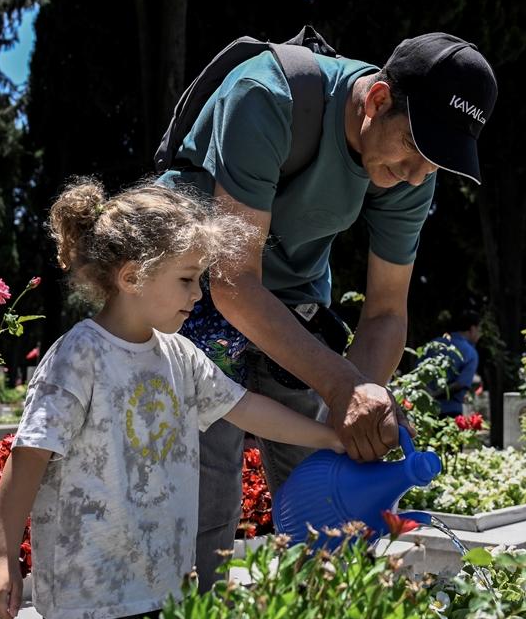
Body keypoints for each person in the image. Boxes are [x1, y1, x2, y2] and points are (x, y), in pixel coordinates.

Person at [0, 181, 343, 619]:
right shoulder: (80, 356)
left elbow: (246, 408)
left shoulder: (180, 356)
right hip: (89, 601)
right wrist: (0, 558)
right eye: (187, 279)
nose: (198, 294)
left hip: (167, 593)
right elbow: (29, 455)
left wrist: (330, 436)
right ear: (132, 276)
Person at [160, 33, 497, 587]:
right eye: (414, 148)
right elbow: (234, 283)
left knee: (325, 488)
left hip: (290, 305)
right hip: (194, 290)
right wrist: (342, 386)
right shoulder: (267, 97)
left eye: (435, 162)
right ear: (378, 100)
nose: (417, 175)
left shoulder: (411, 169)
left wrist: (357, 408)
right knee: (208, 482)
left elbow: (386, 313)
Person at [426, 309, 481, 417]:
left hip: (425, 410)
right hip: (450, 411)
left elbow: (416, 373)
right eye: (479, 329)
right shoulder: (470, 352)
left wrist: (428, 394)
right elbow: (461, 384)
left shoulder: (434, 343)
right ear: (473, 329)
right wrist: (435, 394)